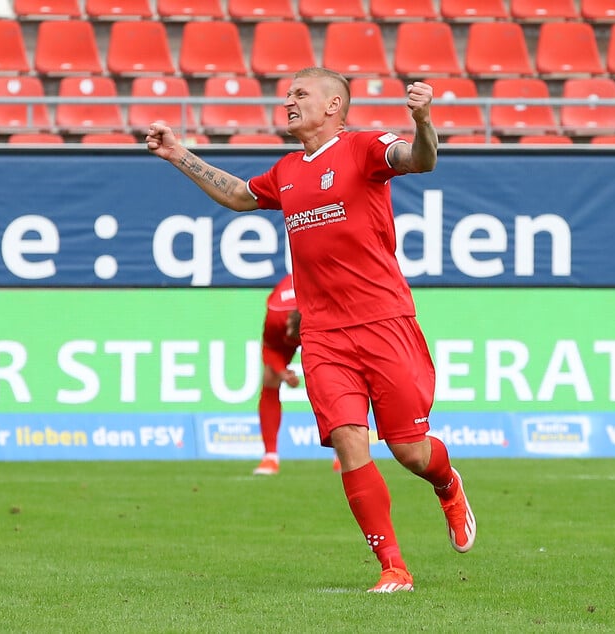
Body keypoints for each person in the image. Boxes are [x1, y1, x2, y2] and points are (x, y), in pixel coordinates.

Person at [146, 67, 475, 594]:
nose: (288, 102)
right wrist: (178, 155)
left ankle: (448, 483)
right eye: (288, 93)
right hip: (322, 334)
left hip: (384, 321)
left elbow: (420, 159)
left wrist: (423, 120)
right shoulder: (287, 170)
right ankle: (394, 567)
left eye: (300, 94)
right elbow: (237, 195)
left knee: (410, 451)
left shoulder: (365, 147)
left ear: (333, 106)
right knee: (349, 443)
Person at [252, 273, 341, 475]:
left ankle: (343, 454)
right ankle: (270, 457)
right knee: (270, 377)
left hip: (323, 328)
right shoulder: (277, 315)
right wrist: (283, 373)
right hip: (304, 316)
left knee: (335, 383)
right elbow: (269, 349)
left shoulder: (330, 311)